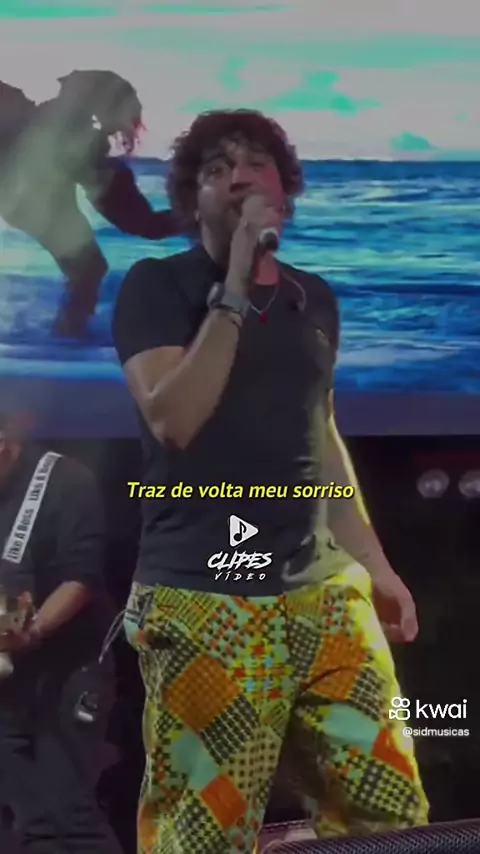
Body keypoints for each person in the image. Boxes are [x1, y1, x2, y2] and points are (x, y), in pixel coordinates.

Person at [112, 108, 429, 854]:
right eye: (216, 169)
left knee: (391, 816)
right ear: (192, 200)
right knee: (203, 835)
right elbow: (174, 419)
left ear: (284, 193)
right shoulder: (156, 287)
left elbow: (321, 441)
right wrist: (233, 284)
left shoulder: (313, 300)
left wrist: (376, 565)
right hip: (205, 601)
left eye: (256, 164)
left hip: (325, 595)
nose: (238, 178)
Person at [0, 411, 122, 854]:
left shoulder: (68, 480)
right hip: (10, 676)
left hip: (72, 667)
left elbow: (80, 580)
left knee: (68, 812)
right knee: (27, 818)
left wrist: (31, 633)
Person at [0, 72, 180, 339]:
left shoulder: (72, 133)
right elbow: (135, 218)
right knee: (89, 269)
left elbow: (134, 217)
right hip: (29, 196)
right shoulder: (64, 132)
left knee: (90, 269)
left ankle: (68, 335)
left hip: (32, 193)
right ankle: (68, 337)